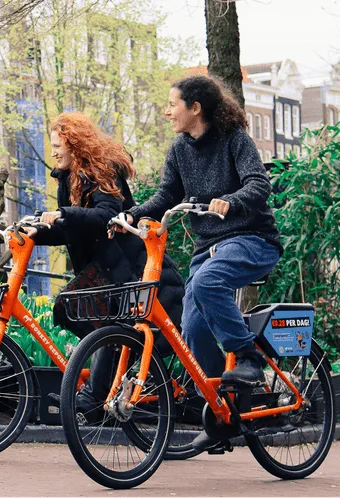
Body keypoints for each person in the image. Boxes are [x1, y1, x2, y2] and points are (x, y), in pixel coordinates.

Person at [120, 75, 282, 451]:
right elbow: (167, 194)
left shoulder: (235, 140)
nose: (166, 111)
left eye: (172, 104)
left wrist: (233, 200)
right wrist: (133, 214)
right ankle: (221, 412)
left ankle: (249, 358)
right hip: (209, 247)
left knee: (208, 284)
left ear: (195, 109)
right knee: (192, 327)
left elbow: (259, 184)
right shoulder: (180, 148)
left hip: (252, 239)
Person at [25, 112, 185, 411]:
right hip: (103, 268)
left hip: (126, 266)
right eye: (52, 145)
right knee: (79, 314)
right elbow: (74, 230)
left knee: (98, 323)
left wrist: (64, 215)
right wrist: (37, 233)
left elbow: (104, 217)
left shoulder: (102, 173)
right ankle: (102, 390)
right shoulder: (69, 179)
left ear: (75, 144)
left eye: (58, 144)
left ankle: (96, 397)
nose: (54, 151)